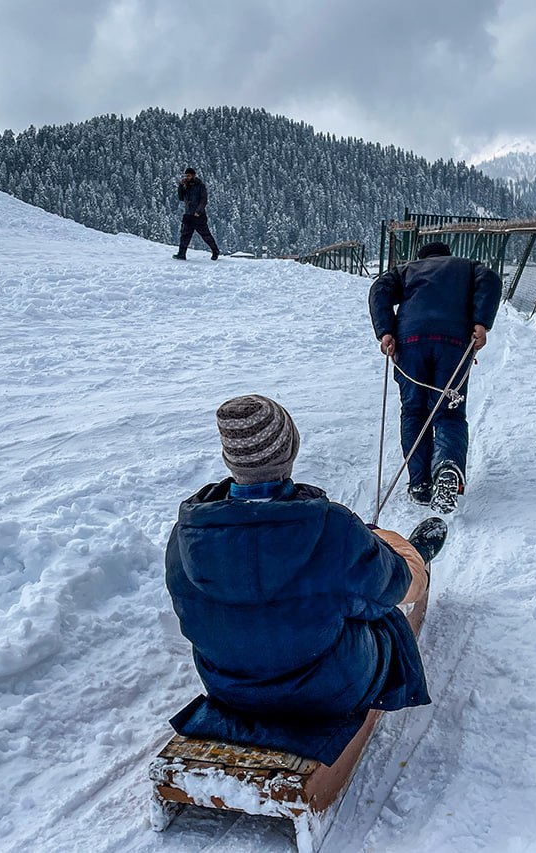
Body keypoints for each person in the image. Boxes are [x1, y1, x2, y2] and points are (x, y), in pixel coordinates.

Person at [165, 394, 447, 762]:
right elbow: (399, 588)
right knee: (380, 611)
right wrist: (393, 549)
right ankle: (413, 550)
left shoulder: (186, 535)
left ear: (230, 459)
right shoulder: (332, 528)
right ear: (290, 449)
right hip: (327, 691)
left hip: (229, 689)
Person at [369, 241, 501, 513]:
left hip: (410, 341)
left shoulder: (405, 270)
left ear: (422, 258)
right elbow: (490, 279)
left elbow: (378, 289)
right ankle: (448, 467)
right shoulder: (467, 267)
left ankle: (419, 484)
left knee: (414, 412)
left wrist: (385, 331)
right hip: (453, 343)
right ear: (447, 256)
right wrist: (481, 321)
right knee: (448, 412)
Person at [172, 167, 220, 260]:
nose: (187, 177)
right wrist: (181, 186)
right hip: (188, 214)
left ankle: (215, 251)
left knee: (205, 235)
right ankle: (181, 254)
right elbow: (181, 198)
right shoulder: (186, 186)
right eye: (186, 175)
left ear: (193, 175)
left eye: (189, 175)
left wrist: (198, 211)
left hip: (198, 216)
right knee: (185, 235)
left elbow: (204, 200)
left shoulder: (200, 186)